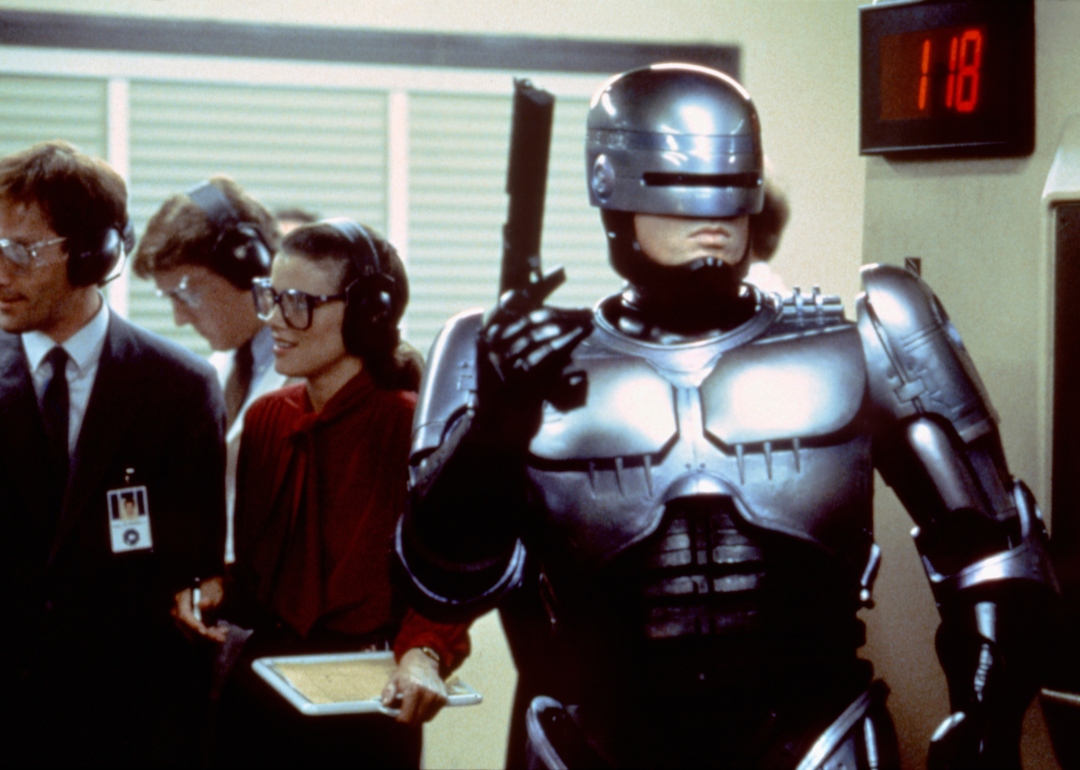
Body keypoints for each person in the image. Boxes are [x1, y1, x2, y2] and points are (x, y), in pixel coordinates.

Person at [396, 64, 1059, 769]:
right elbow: (441, 579)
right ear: (611, 189)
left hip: (817, 743)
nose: (711, 220)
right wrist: (494, 432)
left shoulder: (871, 338)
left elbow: (994, 554)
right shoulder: (498, 356)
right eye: (678, 188)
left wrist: (984, 712)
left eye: (730, 189)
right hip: (597, 744)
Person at [0, 139, 228, 766]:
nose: (0, 272)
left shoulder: (180, 387)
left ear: (91, 253)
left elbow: (194, 575)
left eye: (20, 251)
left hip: (125, 725)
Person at [214, 218, 470, 767]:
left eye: (298, 303)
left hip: (366, 696)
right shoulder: (266, 419)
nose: (274, 319)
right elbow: (258, 579)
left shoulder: (414, 429)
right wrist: (208, 587)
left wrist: (424, 654)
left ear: (368, 315)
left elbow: (449, 575)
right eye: (271, 297)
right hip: (265, 685)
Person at [134, 176, 290, 565]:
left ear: (249, 266)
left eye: (186, 294)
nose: (179, 318)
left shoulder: (313, 369)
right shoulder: (217, 371)